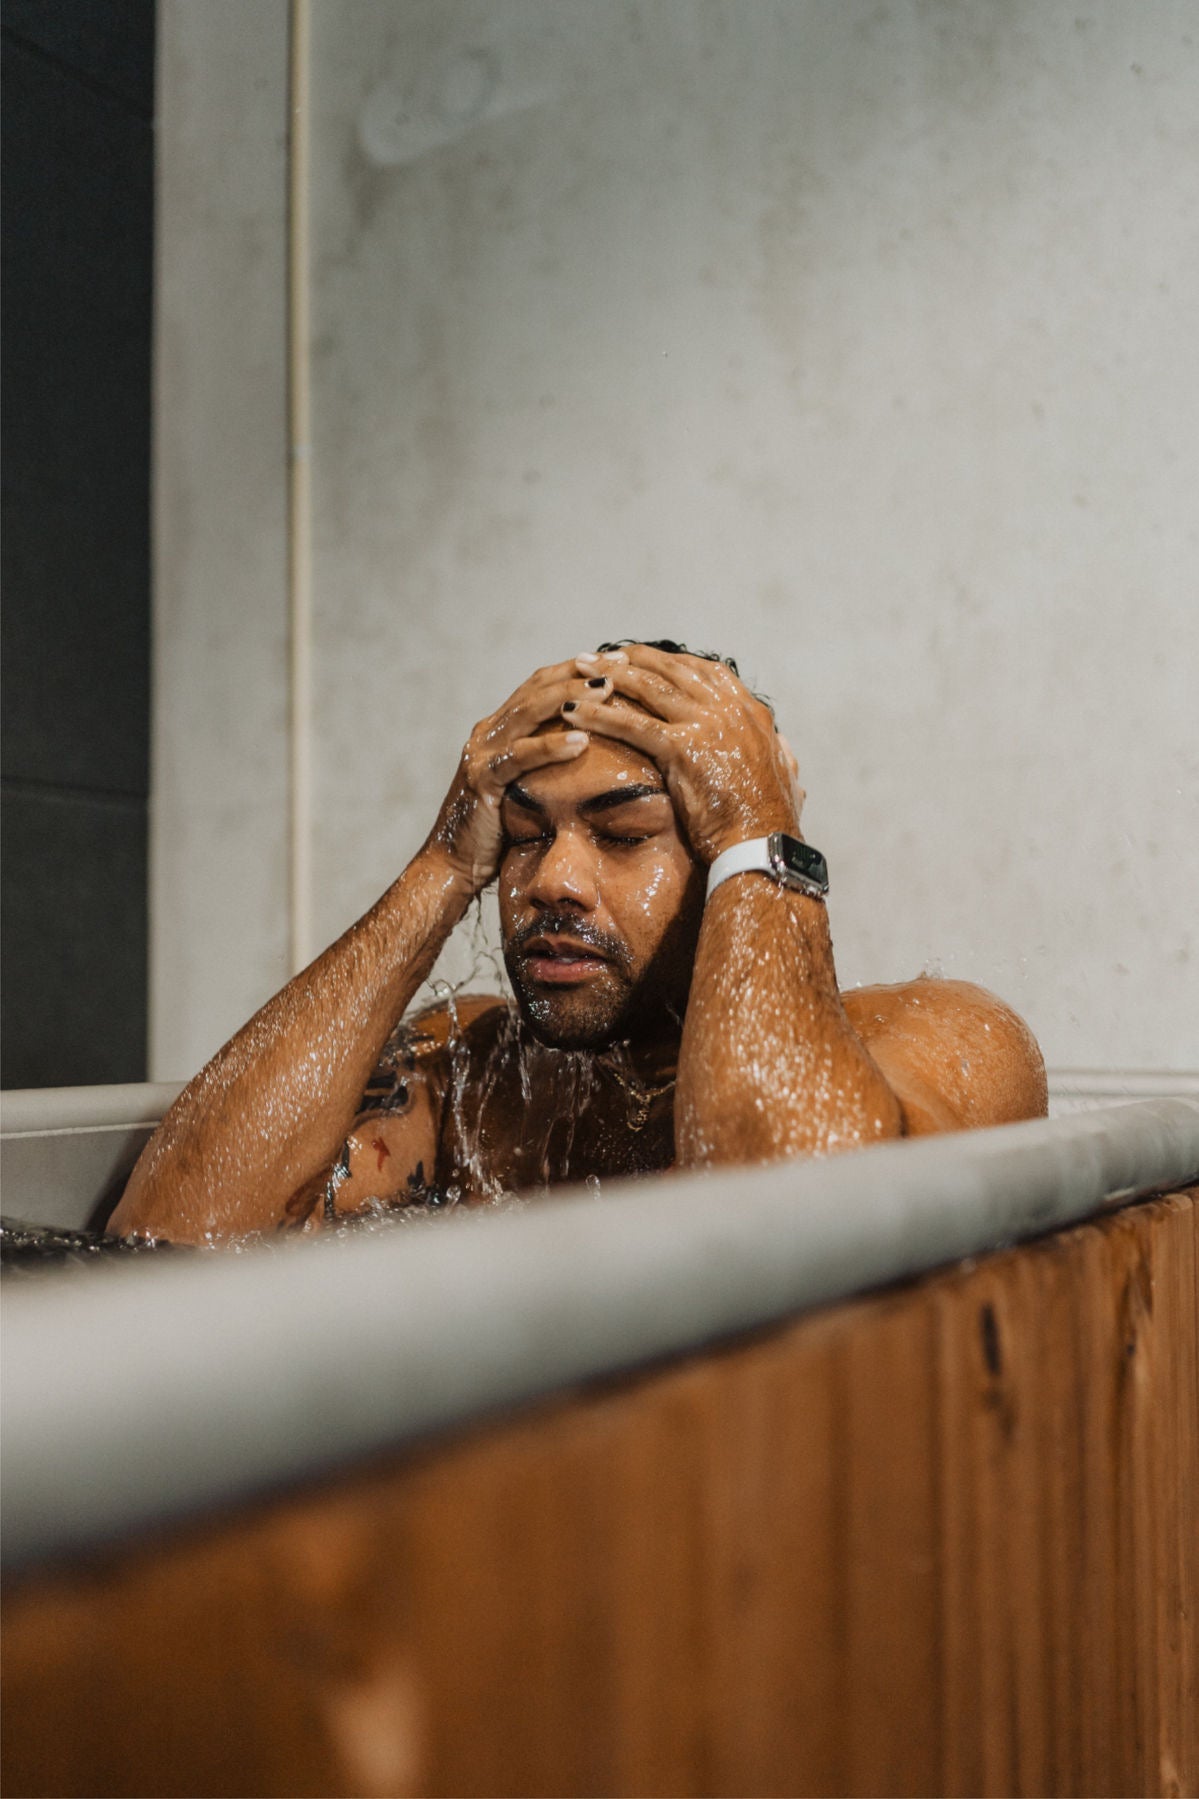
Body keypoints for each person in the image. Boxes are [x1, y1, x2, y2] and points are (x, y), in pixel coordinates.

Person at [109, 642, 1047, 1244]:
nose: (551, 879)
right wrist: (441, 865)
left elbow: (798, 1241)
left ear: (722, 862)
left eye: (623, 834)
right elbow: (171, 1239)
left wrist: (759, 833)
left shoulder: (947, 1038)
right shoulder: (475, 1080)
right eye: (523, 835)